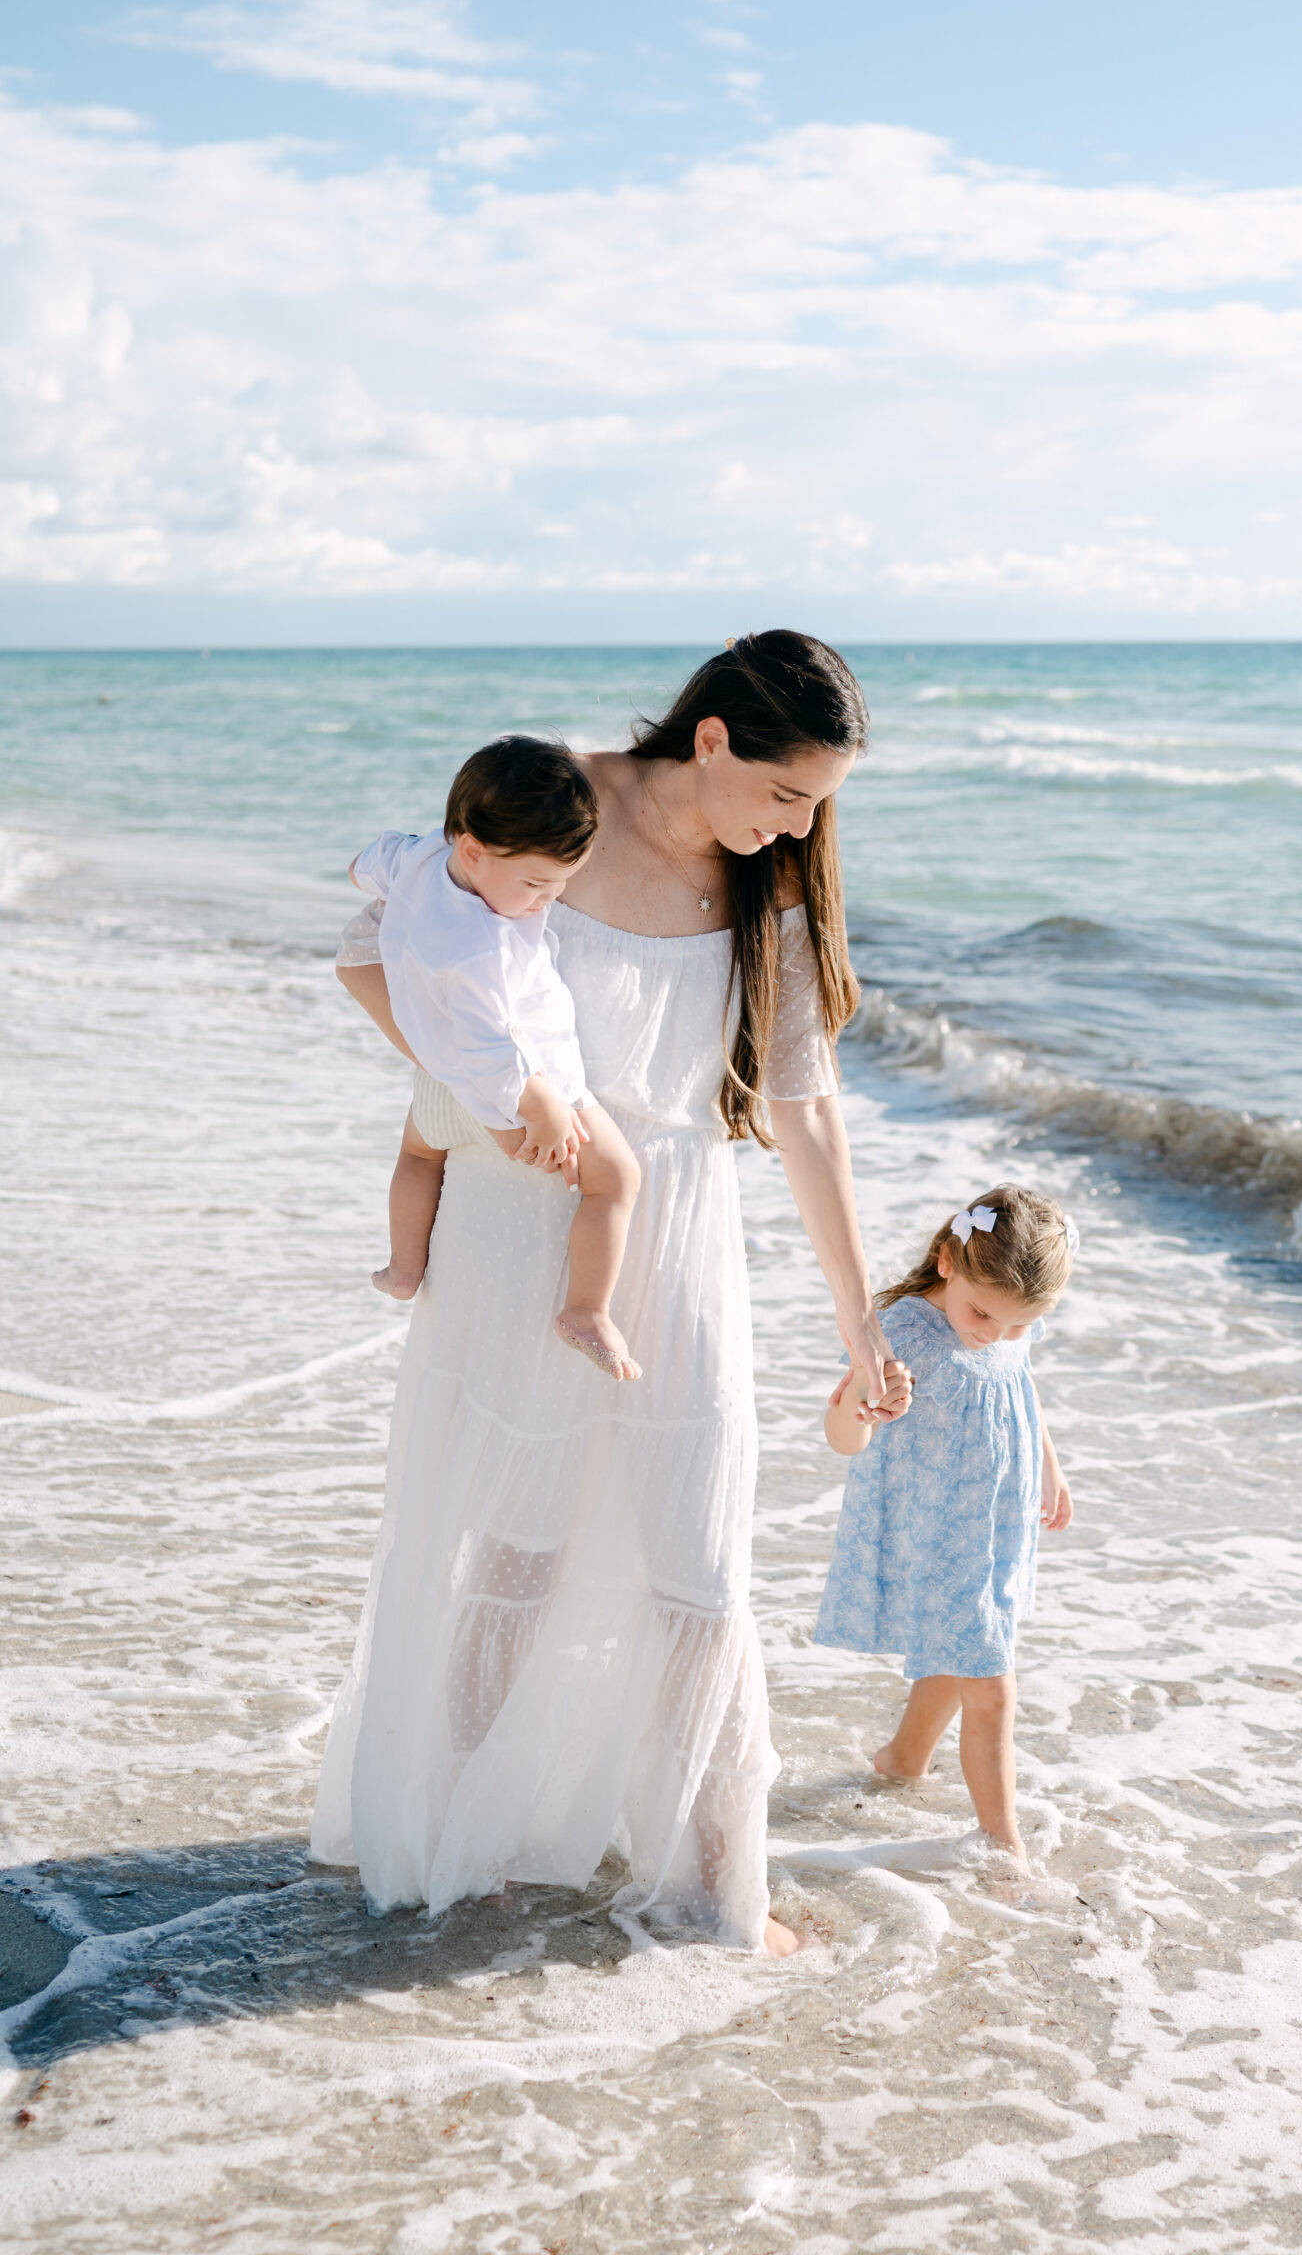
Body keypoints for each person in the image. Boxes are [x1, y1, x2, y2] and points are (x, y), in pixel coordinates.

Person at [311, 632, 910, 1957]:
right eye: (788, 795)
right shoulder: (559, 801)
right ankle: (468, 1843)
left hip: (677, 1221)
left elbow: (807, 1113)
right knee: (514, 1552)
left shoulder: (772, 891)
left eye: (816, 805)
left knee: (699, 1566)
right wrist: (499, 1099)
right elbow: (375, 950)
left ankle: (718, 1886)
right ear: (711, 739)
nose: (799, 826)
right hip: (526, 1220)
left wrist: (858, 1317)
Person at [355, 733, 644, 1380]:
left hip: (437, 1085)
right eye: (537, 884)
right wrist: (541, 1107)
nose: (546, 901)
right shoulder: (480, 947)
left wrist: (373, 876)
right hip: (516, 1097)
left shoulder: (423, 855)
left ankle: (404, 1268)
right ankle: (586, 1310)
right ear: (475, 850)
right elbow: (493, 1047)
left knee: (417, 1155)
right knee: (616, 1180)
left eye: (561, 884)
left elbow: (368, 861)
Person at [814, 1185, 1075, 1874]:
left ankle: (902, 1759)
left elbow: (1021, 1383)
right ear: (947, 1261)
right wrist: (869, 1406)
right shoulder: (898, 1333)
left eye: (1016, 1323)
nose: (993, 1333)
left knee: (955, 1651)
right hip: (933, 1530)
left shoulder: (1007, 1322)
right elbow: (840, 1435)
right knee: (990, 1685)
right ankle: (1003, 1845)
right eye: (982, 1314)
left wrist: (1049, 1468)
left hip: (993, 1521)